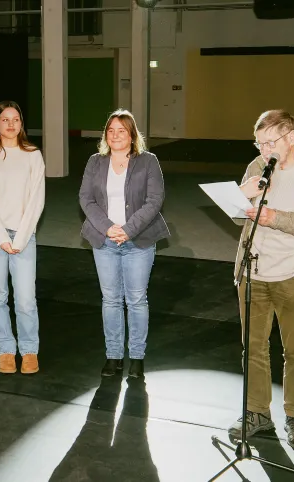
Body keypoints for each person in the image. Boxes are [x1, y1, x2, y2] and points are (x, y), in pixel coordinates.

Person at [228, 109, 294, 448]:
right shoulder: (256, 166)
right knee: (253, 348)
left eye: (270, 143)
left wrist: (276, 218)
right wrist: (241, 195)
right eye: (258, 143)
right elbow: (239, 219)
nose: (264, 151)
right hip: (254, 272)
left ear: (291, 137)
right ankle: (257, 412)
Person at [78, 109, 169, 379]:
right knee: (111, 300)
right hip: (104, 240)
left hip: (138, 240)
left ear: (132, 135)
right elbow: (86, 199)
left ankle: (137, 358)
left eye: (122, 131)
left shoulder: (148, 161)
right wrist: (108, 227)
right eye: (111, 130)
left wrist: (128, 230)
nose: (116, 135)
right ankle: (114, 355)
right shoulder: (95, 162)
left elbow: (155, 200)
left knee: (137, 300)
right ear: (105, 135)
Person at [0, 101, 45, 375]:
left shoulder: (33, 155)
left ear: (21, 124)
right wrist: (2, 237)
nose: (11, 124)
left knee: (25, 298)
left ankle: (29, 350)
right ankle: (5, 349)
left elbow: (37, 200)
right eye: (5, 119)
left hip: (24, 234)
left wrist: (21, 237)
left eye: (16, 119)